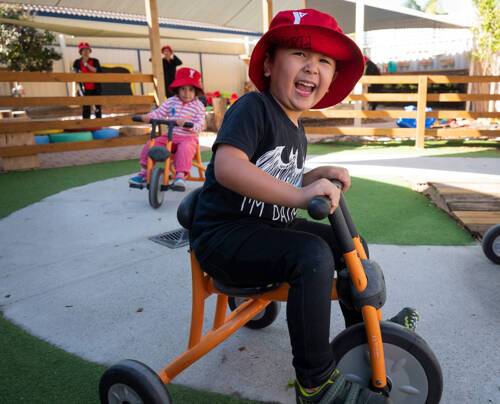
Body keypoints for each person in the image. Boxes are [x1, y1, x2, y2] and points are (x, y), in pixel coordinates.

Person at [189, 9, 418, 404]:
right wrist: (299, 196)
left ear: (329, 80)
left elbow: (279, 173)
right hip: (226, 236)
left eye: (324, 62)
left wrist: (312, 175)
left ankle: (364, 333)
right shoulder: (253, 108)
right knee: (312, 255)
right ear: (268, 64)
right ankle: (314, 382)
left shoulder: (295, 126)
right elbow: (229, 167)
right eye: (299, 54)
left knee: (345, 243)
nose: (312, 67)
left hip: (267, 232)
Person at [129, 67, 205, 192]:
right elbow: (159, 113)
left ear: (196, 91)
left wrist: (187, 124)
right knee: (150, 144)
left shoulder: (198, 106)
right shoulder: (171, 101)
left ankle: (180, 176)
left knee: (185, 148)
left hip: (188, 137)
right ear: (177, 89)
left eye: (191, 89)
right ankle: (143, 173)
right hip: (170, 136)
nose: (187, 93)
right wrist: (148, 117)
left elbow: (201, 125)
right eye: (183, 89)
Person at [73, 42, 102, 119]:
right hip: (84, 89)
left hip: (95, 88)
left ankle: (99, 124)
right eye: (83, 50)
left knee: (97, 108)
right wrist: (77, 89)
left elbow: (96, 70)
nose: (86, 52)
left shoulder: (95, 61)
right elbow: (75, 74)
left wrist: (86, 65)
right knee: (86, 108)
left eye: (87, 50)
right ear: (80, 52)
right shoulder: (77, 62)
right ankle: (86, 125)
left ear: (90, 51)